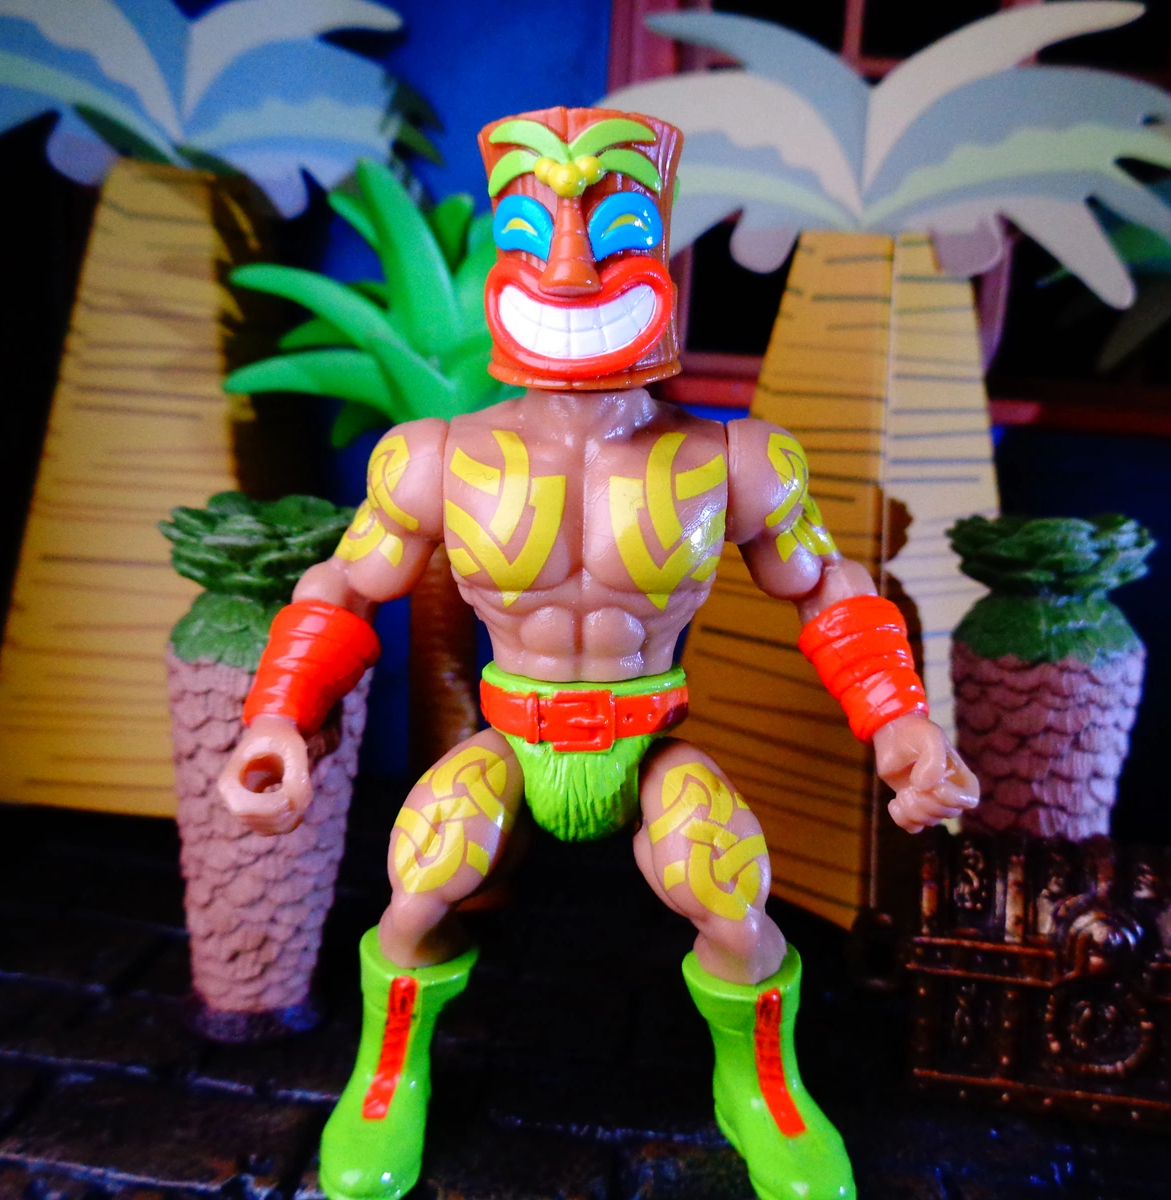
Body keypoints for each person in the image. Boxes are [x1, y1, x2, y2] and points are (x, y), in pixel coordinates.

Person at [219, 105, 980, 1200]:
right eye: (532, 236)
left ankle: (760, 1085)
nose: (571, 270)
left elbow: (827, 586)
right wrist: (277, 718)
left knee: (732, 901)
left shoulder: (737, 459)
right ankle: (389, 1073)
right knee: (419, 889)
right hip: (513, 737)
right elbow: (341, 585)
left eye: (615, 233)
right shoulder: (434, 458)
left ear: (661, 251)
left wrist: (899, 720)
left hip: (649, 737)